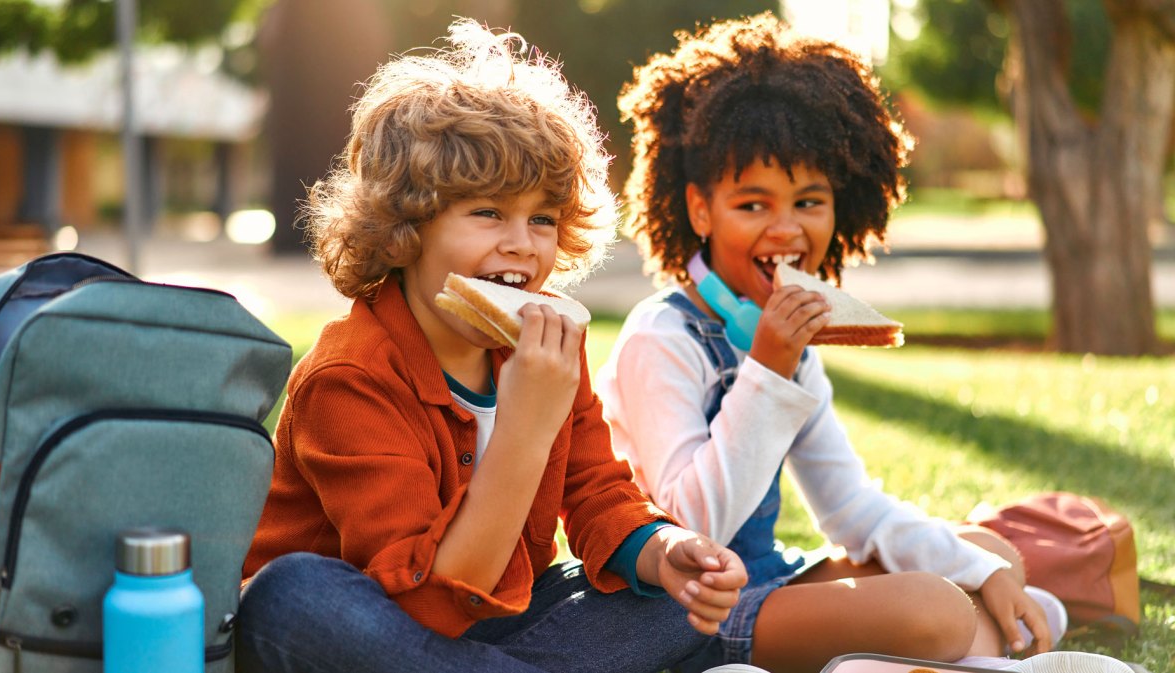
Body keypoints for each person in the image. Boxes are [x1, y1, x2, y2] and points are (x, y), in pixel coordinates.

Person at [235, 18, 748, 673]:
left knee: (674, 604)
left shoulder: (542, 344)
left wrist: (664, 549)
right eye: (487, 212)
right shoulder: (348, 376)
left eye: (542, 218)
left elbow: (597, 491)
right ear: (406, 226)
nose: (522, 243)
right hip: (368, 630)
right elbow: (426, 606)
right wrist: (525, 426)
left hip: (491, 628)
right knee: (290, 597)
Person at [596, 12, 1065, 673]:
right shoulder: (660, 337)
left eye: (809, 202)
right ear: (700, 209)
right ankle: (982, 640)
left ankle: (972, 632)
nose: (785, 230)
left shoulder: (788, 341)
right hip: (687, 615)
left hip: (775, 583)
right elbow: (694, 525)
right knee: (933, 610)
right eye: (752, 205)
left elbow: (852, 508)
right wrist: (769, 367)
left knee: (994, 553)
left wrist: (984, 568)